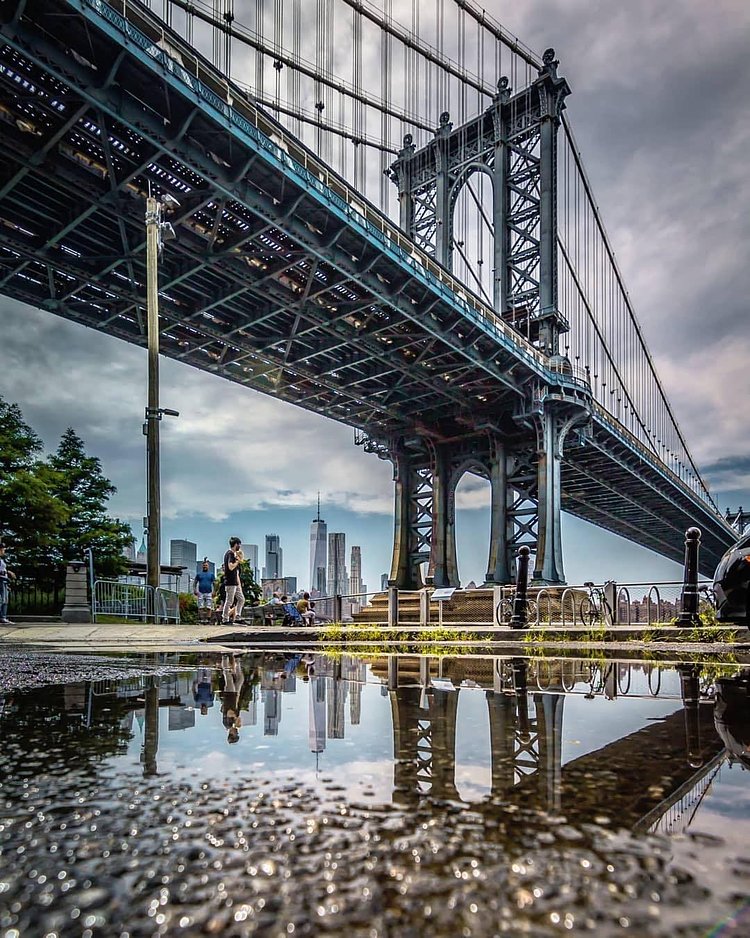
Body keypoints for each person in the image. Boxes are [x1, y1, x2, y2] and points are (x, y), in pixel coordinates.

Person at [222, 536, 245, 625]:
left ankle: (238, 617)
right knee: (229, 601)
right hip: (230, 582)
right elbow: (231, 567)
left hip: (235, 582)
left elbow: (236, 572)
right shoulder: (230, 554)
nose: (240, 546)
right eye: (239, 544)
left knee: (241, 599)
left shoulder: (233, 555)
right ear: (236, 544)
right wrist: (237, 561)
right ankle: (225, 619)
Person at [0, 542, 16, 626]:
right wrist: (6, 572)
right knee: (2, 600)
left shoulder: (1, 560)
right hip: (1, 580)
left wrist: (8, 572)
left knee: (5, 600)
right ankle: (2, 617)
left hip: (4, 580)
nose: (4, 551)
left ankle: (3, 617)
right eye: (3, 550)